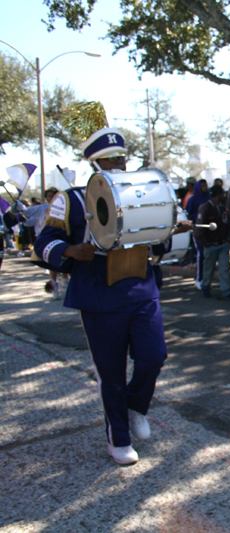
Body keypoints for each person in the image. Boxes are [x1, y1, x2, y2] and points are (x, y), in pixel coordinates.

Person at [30, 106, 189, 465]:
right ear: (94, 164)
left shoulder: (139, 191)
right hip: (98, 294)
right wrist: (69, 249)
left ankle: (136, 407)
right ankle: (118, 439)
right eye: (109, 160)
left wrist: (171, 230)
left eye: (121, 159)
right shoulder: (69, 199)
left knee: (154, 357)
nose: (118, 166)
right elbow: (45, 242)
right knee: (111, 372)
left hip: (140, 287)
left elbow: (155, 241)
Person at [196, 184, 230, 300]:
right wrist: (205, 243)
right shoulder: (205, 208)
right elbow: (199, 228)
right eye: (222, 194)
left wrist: (229, 238)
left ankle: (227, 291)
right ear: (217, 195)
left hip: (223, 244)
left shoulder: (223, 208)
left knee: (224, 268)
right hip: (211, 245)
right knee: (208, 268)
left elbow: (229, 224)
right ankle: (205, 287)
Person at [185, 179, 210, 290]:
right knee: (201, 254)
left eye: (206, 185)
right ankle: (199, 279)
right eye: (202, 186)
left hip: (210, 230)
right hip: (199, 230)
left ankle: (207, 279)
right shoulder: (193, 200)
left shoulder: (209, 198)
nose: (204, 187)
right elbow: (189, 215)